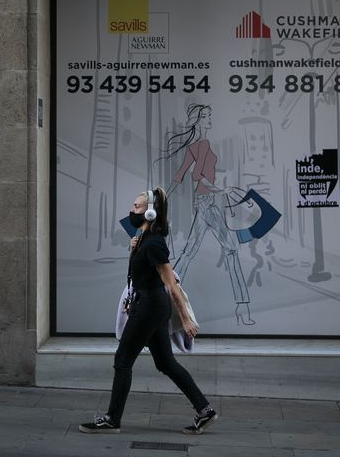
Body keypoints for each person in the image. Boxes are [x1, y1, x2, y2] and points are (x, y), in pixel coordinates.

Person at [79, 187, 217, 435]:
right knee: (165, 362)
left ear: (151, 212)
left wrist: (185, 319)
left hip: (150, 307)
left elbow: (171, 285)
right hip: (148, 305)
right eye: (134, 205)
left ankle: (112, 419)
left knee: (122, 360)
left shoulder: (154, 244)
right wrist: (133, 249)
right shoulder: (143, 240)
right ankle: (204, 410)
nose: (132, 210)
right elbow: (140, 275)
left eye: (137, 207)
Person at [161, 104, 255, 325]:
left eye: (210, 115)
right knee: (230, 250)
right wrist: (219, 190)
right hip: (208, 202)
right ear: (198, 120)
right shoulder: (202, 145)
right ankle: (243, 308)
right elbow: (197, 176)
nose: (210, 119)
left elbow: (180, 174)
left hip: (203, 202)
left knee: (189, 252)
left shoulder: (194, 146)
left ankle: (165, 296)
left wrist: (162, 197)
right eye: (206, 116)